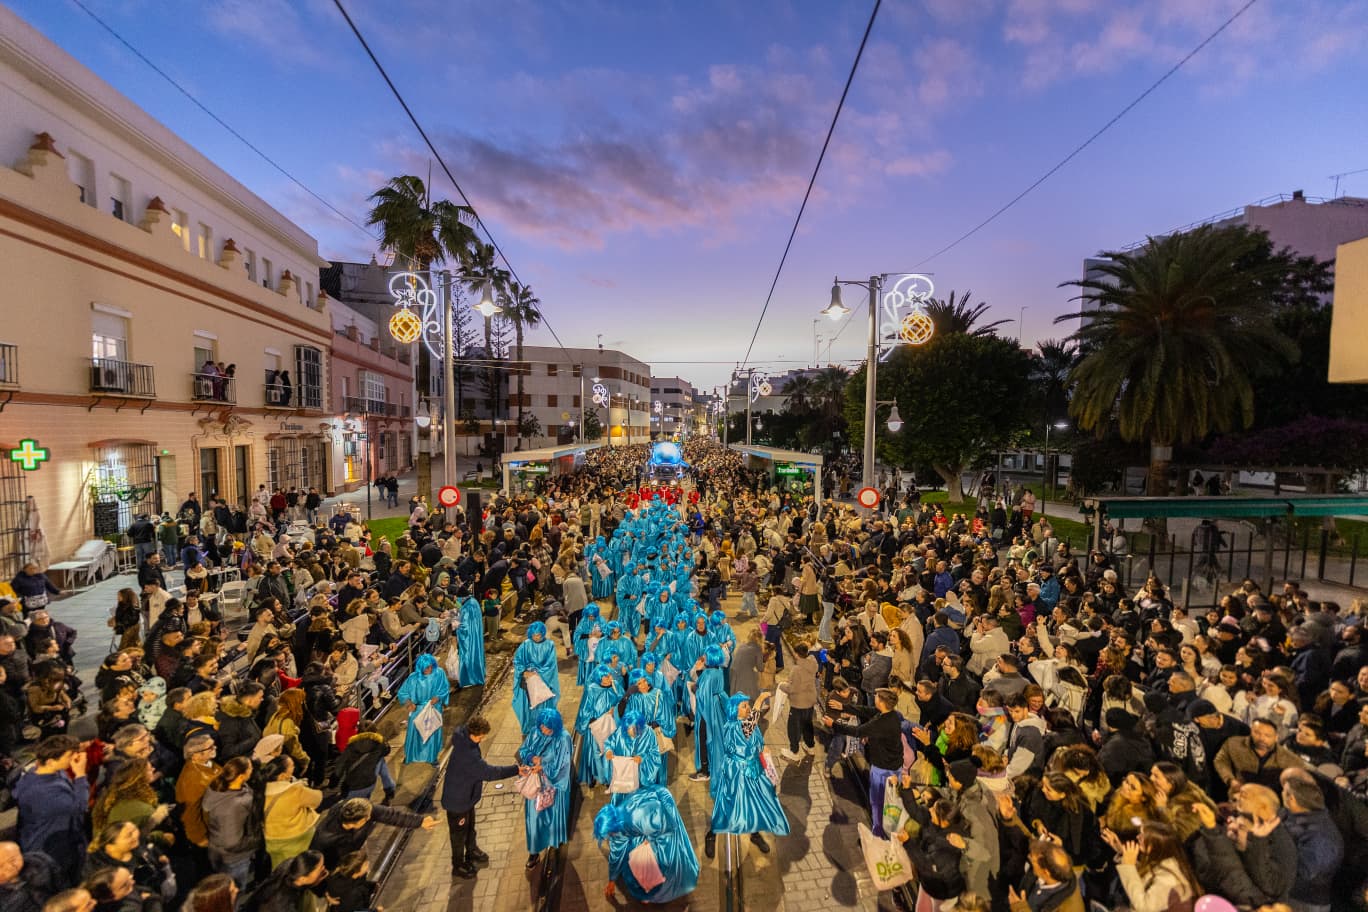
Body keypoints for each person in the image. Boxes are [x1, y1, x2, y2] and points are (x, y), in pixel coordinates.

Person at [707, 692, 789, 858]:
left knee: (755, 803)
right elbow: (748, 728)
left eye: (748, 705)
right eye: (744, 706)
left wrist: (762, 747)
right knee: (727, 805)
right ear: (734, 710)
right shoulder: (732, 726)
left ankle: (755, 834)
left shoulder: (748, 723)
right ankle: (712, 834)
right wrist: (759, 700)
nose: (748, 708)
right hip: (736, 773)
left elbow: (755, 736)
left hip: (753, 770)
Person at [441, 715, 520, 879]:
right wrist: (516, 769)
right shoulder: (467, 755)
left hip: (466, 798)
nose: (482, 739)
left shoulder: (465, 740)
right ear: (473, 733)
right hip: (458, 801)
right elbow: (489, 773)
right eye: (481, 736)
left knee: (470, 828)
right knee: (458, 834)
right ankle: (458, 865)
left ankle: (471, 850)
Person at [593, 785, 700, 903]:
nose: (609, 839)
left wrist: (650, 843)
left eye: (608, 835)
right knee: (639, 852)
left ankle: (672, 883)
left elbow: (667, 825)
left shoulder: (637, 818)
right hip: (652, 817)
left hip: (664, 811)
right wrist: (612, 879)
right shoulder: (618, 821)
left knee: (665, 855)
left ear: (612, 829)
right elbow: (617, 850)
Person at [13, 734, 89, 884]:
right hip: (51, 847)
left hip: (68, 838)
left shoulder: (55, 772)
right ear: (50, 761)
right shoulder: (40, 790)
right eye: (69, 755)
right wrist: (80, 774)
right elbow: (79, 806)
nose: (75, 758)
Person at [517, 707, 573, 871]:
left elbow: (563, 765)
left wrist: (543, 768)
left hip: (553, 788)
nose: (544, 730)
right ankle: (534, 851)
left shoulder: (563, 739)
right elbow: (524, 749)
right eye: (542, 726)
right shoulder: (535, 732)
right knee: (534, 819)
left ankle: (554, 843)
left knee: (553, 818)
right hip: (536, 787)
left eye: (548, 728)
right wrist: (531, 758)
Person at [395, 653, 450, 764]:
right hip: (417, 710)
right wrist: (409, 703)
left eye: (430, 667)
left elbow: (445, 688)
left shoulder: (439, 673)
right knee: (415, 733)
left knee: (432, 733)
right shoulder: (413, 678)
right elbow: (402, 693)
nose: (428, 670)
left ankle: (432, 757)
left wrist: (438, 697)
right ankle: (411, 756)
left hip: (433, 708)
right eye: (425, 668)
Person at [512, 622, 560, 734]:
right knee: (530, 706)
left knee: (543, 704)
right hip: (529, 683)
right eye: (534, 635)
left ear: (543, 633)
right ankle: (531, 727)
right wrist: (524, 671)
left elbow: (551, 664)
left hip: (544, 683)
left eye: (538, 635)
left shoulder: (550, 645)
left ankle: (545, 726)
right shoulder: (525, 645)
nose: (536, 638)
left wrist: (537, 673)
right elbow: (517, 660)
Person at [453, 596, 486, 686]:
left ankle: (469, 678)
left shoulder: (467, 608)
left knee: (468, 656)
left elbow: (465, 627)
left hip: (469, 640)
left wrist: (457, 626)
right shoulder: (473, 602)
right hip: (475, 636)